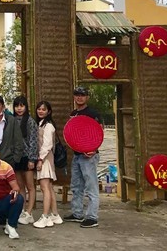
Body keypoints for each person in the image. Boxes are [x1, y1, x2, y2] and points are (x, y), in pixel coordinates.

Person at [64, 86, 101, 228]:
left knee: (91, 186)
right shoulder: (73, 114)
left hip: (89, 156)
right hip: (77, 155)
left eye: (82, 95)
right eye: (77, 95)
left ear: (87, 97)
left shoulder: (92, 113)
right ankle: (77, 213)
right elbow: (72, 133)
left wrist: (93, 148)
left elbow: (98, 132)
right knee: (76, 185)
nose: (79, 97)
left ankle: (92, 217)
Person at [33, 100, 62, 228]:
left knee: (45, 188)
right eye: (39, 109)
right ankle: (55, 215)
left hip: (45, 159)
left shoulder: (48, 126)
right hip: (45, 159)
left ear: (48, 111)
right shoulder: (41, 124)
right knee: (49, 188)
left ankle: (45, 216)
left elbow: (47, 145)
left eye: (43, 109)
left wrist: (40, 159)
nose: (40, 111)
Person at [12, 95, 38, 225]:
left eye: (22, 106)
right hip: (17, 157)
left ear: (26, 107)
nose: (19, 108)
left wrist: (32, 159)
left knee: (30, 186)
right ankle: (21, 210)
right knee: (20, 186)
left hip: (27, 157)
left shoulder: (30, 121)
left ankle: (29, 212)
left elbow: (34, 141)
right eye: (17, 106)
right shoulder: (12, 120)